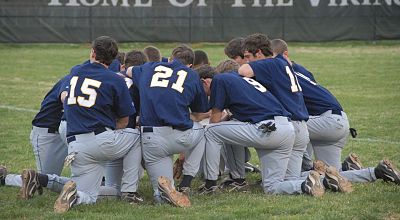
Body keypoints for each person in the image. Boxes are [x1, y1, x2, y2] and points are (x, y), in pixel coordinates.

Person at [197, 63, 343, 197]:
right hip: (287, 129)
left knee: (211, 131)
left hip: (268, 130)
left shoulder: (219, 80)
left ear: (205, 81)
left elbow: (214, 122)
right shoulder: (240, 80)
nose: (204, 95)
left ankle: (211, 184)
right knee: (272, 187)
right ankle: (323, 181)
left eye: (201, 90)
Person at [54, 36, 142, 213]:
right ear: (114, 58)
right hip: (100, 139)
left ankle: (73, 196)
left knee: (89, 196)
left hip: (75, 145)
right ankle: (129, 191)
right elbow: (125, 121)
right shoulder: (115, 79)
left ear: (93, 52)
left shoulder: (75, 71)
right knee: (136, 136)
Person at [126, 44, 209, 207]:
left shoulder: (149, 67)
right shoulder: (191, 74)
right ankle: (186, 181)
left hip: (151, 137)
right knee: (204, 129)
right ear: (190, 65)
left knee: (161, 194)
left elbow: (129, 72)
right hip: (181, 136)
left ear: (170, 58)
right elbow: (199, 114)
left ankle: (161, 194)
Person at [270, 39, 350, 171]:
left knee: (287, 126)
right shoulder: (298, 69)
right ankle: (373, 172)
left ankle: (306, 167)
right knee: (332, 175)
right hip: (337, 120)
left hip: (326, 121)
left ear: (284, 55)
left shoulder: (282, 74)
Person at [239, 33, 309, 180]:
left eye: (248, 56)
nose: (246, 61)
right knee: (292, 181)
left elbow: (243, 71)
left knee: (272, 185)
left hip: (288, 127)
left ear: (258, 53)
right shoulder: (281, 63)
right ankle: (326, 179)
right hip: (301, 127)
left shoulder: (270, 63)